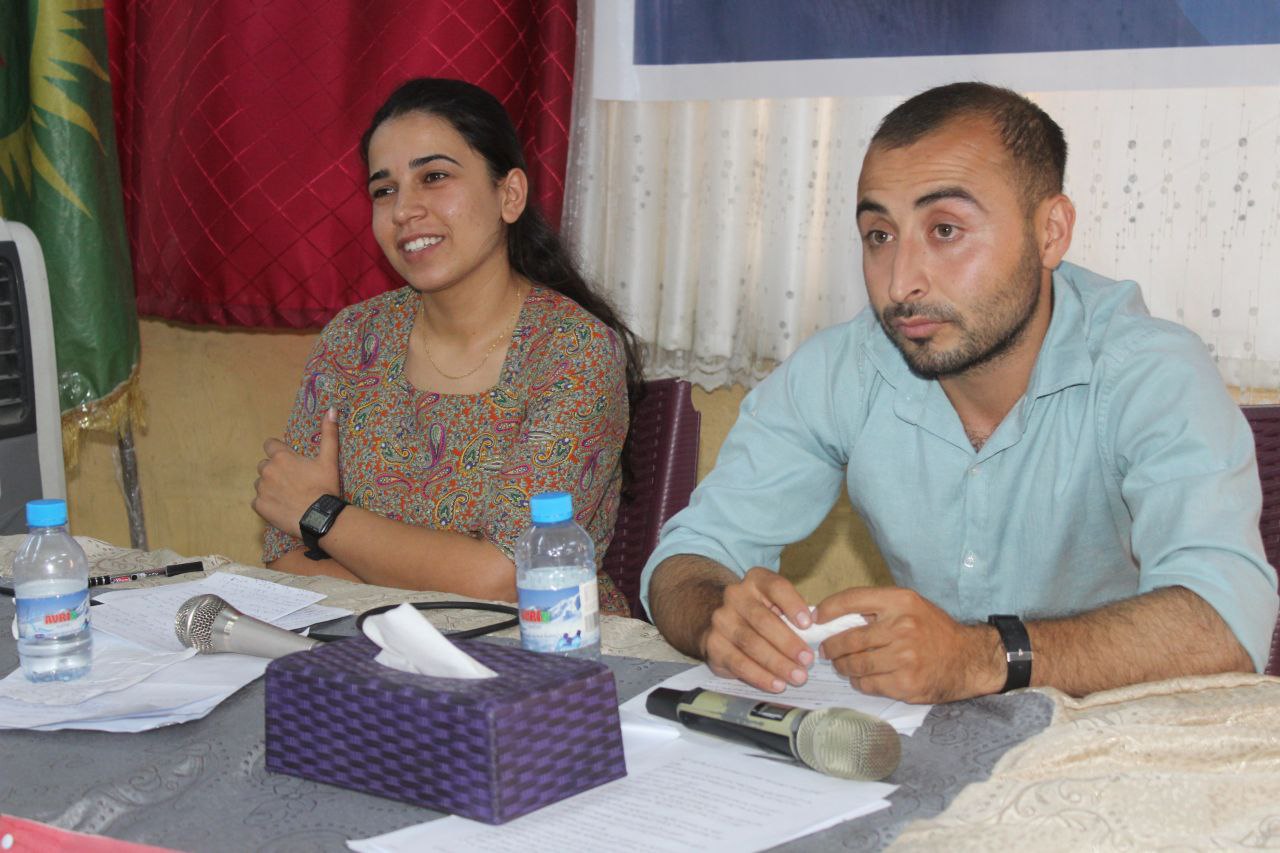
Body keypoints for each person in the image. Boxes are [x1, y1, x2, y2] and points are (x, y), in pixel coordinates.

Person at [641, 82, 1278, 702]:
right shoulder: (843, 370)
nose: (900, 283)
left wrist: (981, 657)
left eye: (945, 230)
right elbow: (688, 557)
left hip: (1125, 727)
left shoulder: (1150, 370)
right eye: (879, 235)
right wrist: (719, 617)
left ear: (1051, 231)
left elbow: (1224, 620)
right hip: (932, 736)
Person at [252, 78, 643, 615]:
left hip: (541, 648)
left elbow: (507, 578)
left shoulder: (572, 351)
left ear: (510, 195)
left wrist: (322, 515)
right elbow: (285, 553)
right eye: (384, 190)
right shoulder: (353, 340)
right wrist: (314, 522)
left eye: (433, 177)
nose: (403, 210)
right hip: (371, 646)